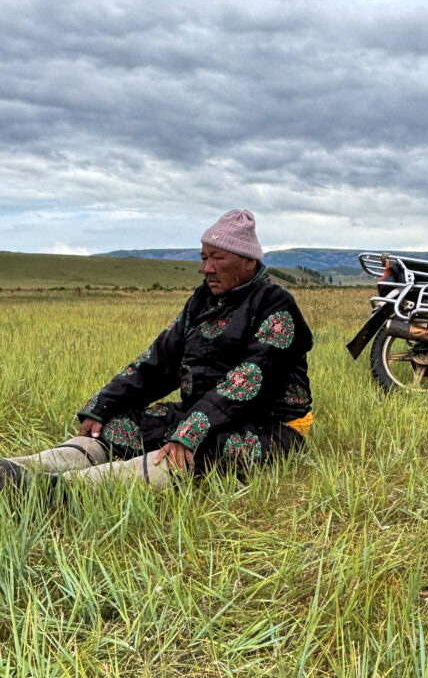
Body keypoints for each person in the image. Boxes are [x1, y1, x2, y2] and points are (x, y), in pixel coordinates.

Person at [0, 210, 313, 490]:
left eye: (216, 258)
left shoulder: (276, 305)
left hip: (271, 427)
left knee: (196, 450)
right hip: (202, 416)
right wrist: (104, 405)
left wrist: (190, 430)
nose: (207, 268)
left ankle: (58, 490)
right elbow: (159, 360)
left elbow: (248, 380)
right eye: (204, 258)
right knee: (118, 426)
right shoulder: (202, 301)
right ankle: (19, 471)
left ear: (247, 260)